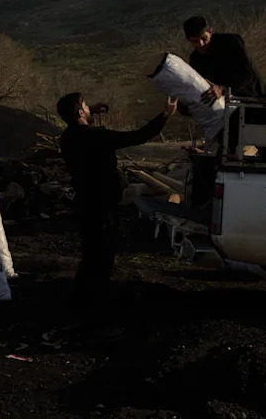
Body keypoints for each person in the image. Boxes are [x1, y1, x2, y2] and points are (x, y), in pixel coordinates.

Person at [57, 93, 178, 311]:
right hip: (102, 205)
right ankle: (94, 306)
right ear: (79, 113)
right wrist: (164, 115)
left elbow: (81, 123)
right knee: (102, 257)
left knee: (91, 254)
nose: (88, 107)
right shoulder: (95, 137)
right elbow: (138, 136)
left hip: (86, 202)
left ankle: (82, 301)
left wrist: (90, 110)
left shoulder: (68, 136)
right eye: (85, 106)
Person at [182, 16, 266, 163]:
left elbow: (247, 75)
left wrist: (223, 89)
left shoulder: (231, 42)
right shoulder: (196, 59)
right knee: (226, 153)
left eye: (204, 38)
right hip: (228, 111)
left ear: (211, 31)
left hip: (256, 100)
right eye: (195, 41)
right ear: (189, 40)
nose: (201, 44)